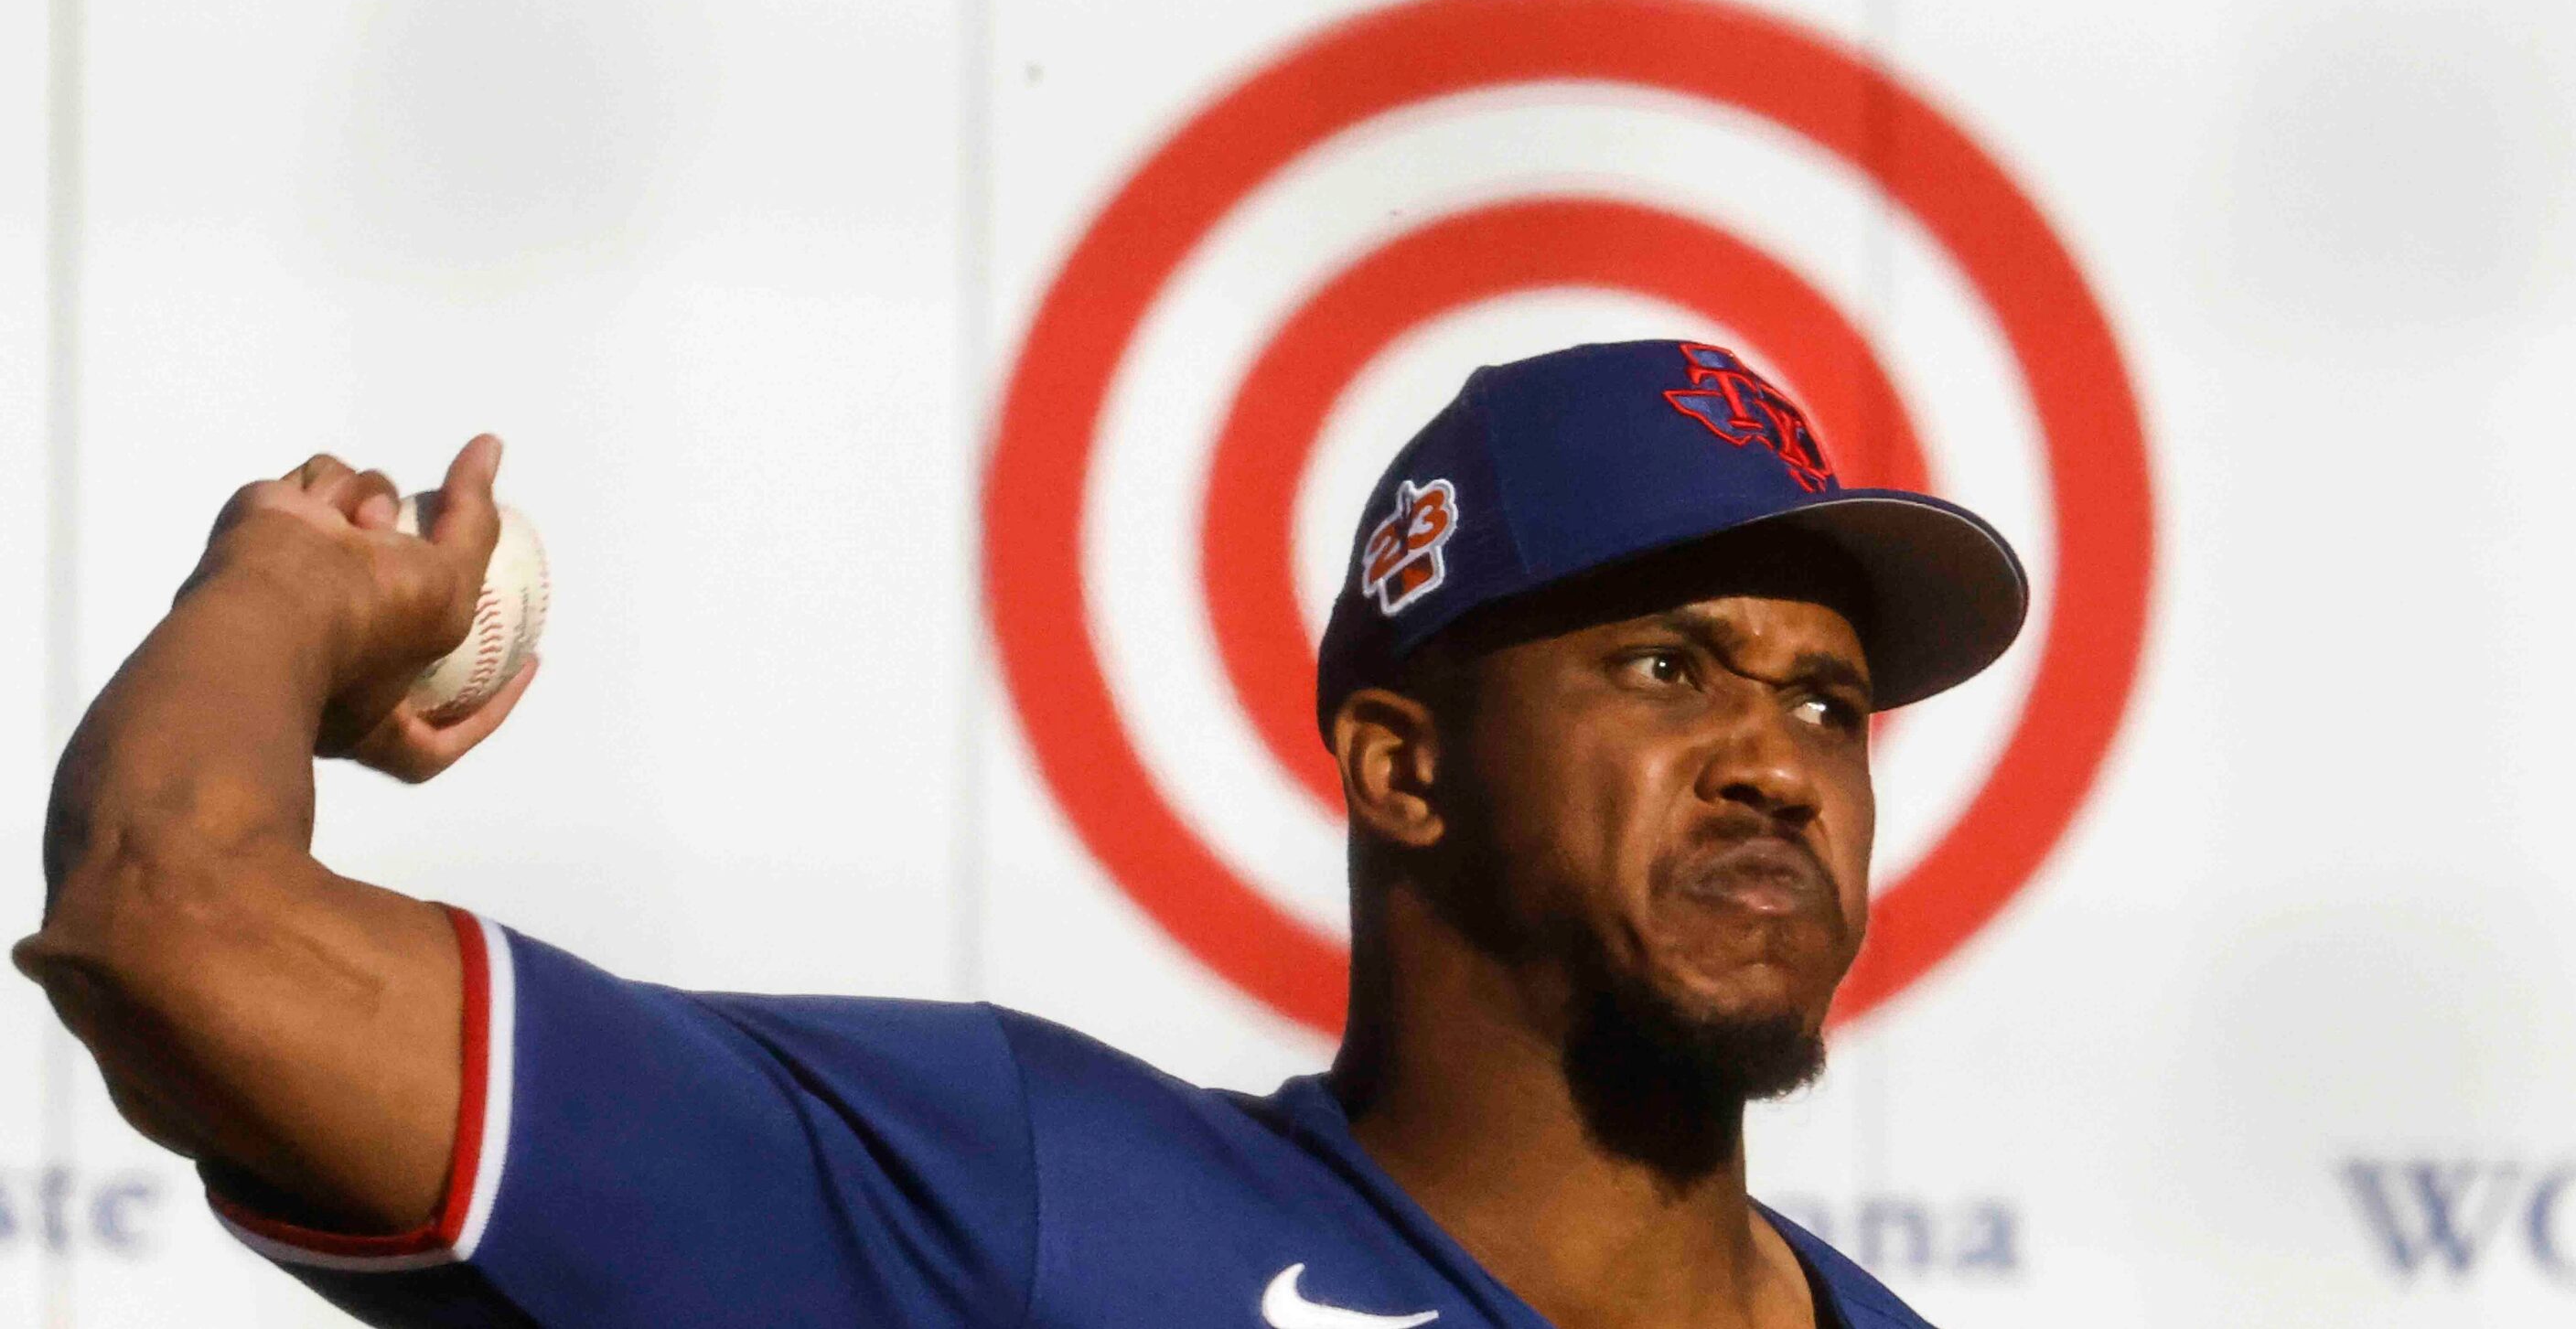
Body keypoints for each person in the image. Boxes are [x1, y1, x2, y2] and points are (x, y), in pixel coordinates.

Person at [16, 338, 2025, 1329]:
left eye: (1830, 701)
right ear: (1403, 771)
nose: (1779, 759)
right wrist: (286, 591)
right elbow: (169, 921)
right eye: (1671, 670)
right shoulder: (1029, 1214)